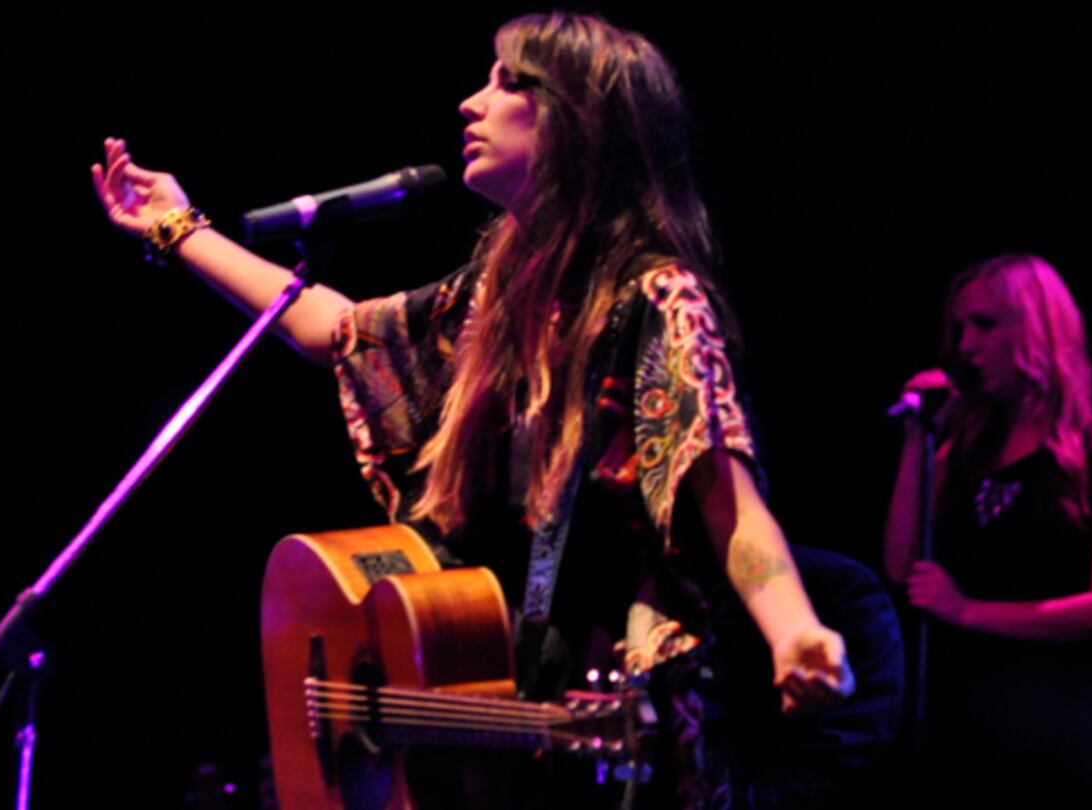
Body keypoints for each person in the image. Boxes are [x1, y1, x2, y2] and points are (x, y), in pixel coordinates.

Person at [93, 13, 854, 807]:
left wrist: (795, 629)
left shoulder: (657, 298)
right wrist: (177, 227)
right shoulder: (492, 295)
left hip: (612, 742)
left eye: (509, 82)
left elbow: (727, 496)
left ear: (578, 122)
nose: (470, 102)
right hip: (493, 726)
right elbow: (332, 327)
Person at [882, 254, 1092, 789]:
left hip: (1069, 727)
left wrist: (968, 611)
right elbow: (900, 565)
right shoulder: (961, 451)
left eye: (985, 325)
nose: (965, 346)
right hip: (969, 719)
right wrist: (918, 438)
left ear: (1036, 329)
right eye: (960, 328)